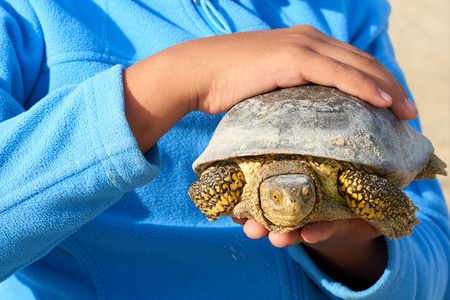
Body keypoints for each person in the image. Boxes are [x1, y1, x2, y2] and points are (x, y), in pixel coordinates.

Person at [0, 0, 448, 299]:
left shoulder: (342, 11)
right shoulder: (24, 15)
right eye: (276, 196)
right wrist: (177, 80)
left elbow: (436, 262)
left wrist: (361, 251)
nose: (291, 203)